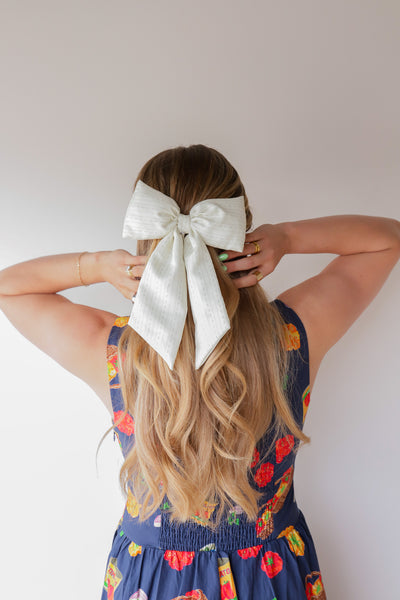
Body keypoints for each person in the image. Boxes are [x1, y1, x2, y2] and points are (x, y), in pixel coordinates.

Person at [0, 144, 399, 600]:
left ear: (145, 233)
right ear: (239, 230)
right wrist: (286, 237)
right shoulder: (294, 334)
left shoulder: (116, 352)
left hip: (152, 580)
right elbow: (387, 238)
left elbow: (9, 288)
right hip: (271, 576)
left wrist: (98, 265)